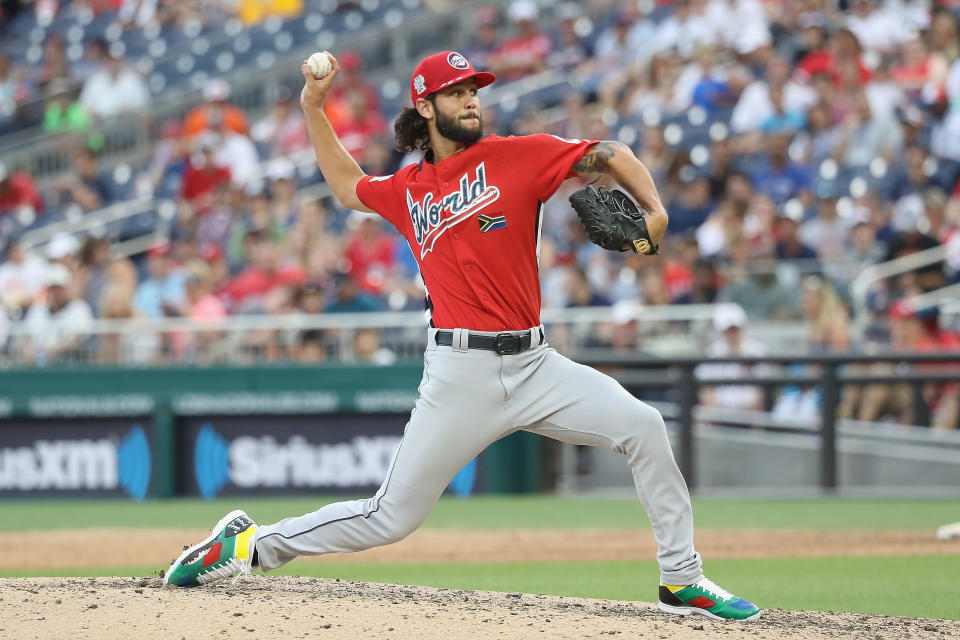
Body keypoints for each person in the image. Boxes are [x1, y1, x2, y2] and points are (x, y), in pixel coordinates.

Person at [163, 49, 761, 622]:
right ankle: (249, 546)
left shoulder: (517, 155)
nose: (471, 99)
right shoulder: (408, 189)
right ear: (426, 107)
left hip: (536, 364)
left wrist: (652, 210)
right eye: (457, 92)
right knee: (389, 518)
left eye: (474, 90)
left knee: (645, 427)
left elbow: (608, 152)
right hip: (459, 374)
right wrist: (314, 110)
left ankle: (681, 579)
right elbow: (348, 188)